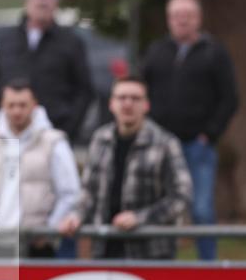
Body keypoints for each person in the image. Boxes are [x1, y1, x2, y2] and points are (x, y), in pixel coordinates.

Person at [142, 0, 239, 261]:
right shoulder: (157, 52)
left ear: (198, 18)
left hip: (198, 145)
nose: (181, 21)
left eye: (187, 15)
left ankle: (208, 266)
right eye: (176, 16)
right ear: (168, 19)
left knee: (201, 209)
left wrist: (210, 133)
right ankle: (161, 263)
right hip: (161, 146)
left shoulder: (214, 53)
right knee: (160, 208)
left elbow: (230, 98)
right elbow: (141, 90)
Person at [59, 76, 193, 259]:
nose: (128, 104)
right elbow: (88, 190)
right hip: (104, 250)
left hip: (151, 253)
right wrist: (76, 215)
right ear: (111, 104)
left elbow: (181, 196)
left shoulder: (165, 143)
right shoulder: (100, 140)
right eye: (121, 98)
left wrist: (141, 218)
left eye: (135, 98)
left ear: (146, 105)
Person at [0, 79, 80, 258]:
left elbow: (69, 193)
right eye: (11, 105)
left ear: (34, 105)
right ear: (2, 105)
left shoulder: (54, 142)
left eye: (22, 105)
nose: (16, 111)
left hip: (36, 244)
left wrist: (49, 230)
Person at [0, 0, 94, 144]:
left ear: (56, 3)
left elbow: (84, 90)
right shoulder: (7, 40)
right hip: (8, 135)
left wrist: (68, 129)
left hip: (53, 133)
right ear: (26, 2)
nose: (42, 2)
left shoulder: (71, 43)